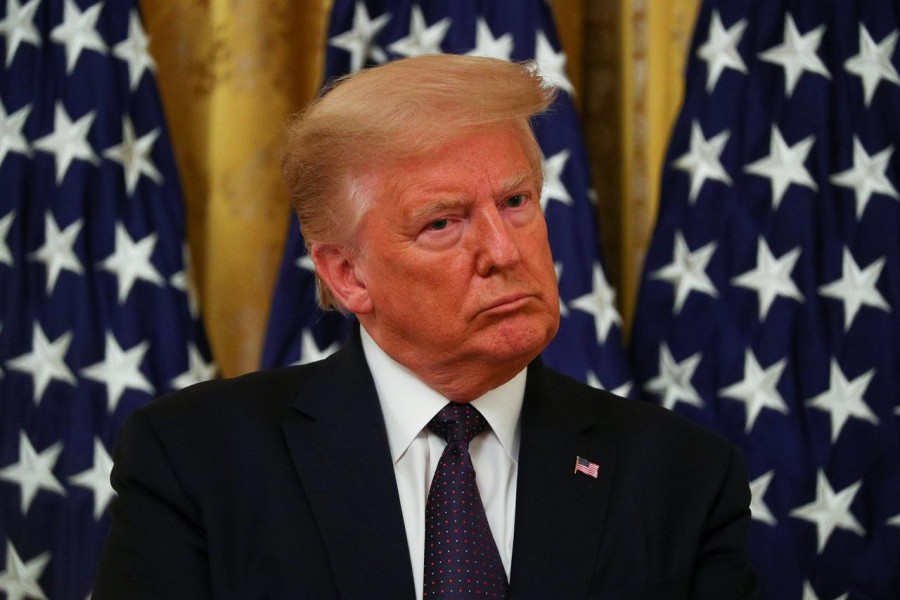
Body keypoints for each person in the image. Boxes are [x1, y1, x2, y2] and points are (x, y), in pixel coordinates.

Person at [93, 55, 759, 599]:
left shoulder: (682, 477)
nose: (504, 250)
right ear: (348, 275)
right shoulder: (198, 462)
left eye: (516, 201)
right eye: (443, 223)